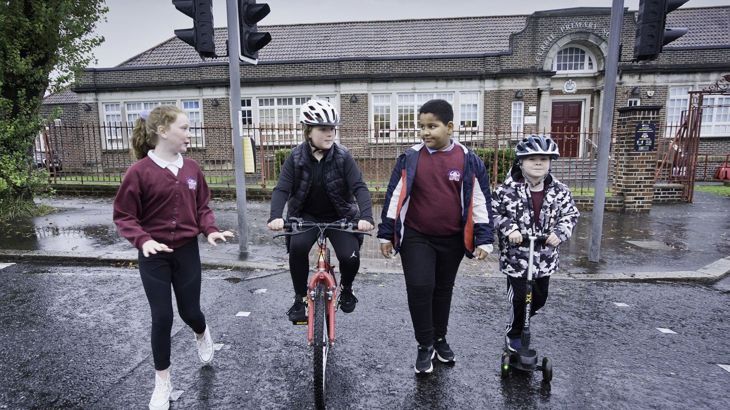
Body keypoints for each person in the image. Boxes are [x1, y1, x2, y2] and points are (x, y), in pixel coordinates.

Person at [113, 105, 234, 410]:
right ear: (163, 131)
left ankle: (202, 331)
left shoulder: (192, 169)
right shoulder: (138, 172)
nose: (189, 134)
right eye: (185, 128)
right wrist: (143, 240)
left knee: (190, 311)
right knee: (162, 317)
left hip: (186, 251)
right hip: (153, 255)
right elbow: (124, 215)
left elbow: (203, 206)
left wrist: (210, 230)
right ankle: (162, 382)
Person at [377, 99, 494, 374]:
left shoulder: (468, 160)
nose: (425, 132)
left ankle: (440, 339)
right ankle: (424, 344)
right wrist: (386, 234)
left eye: (432, 126)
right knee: (420, 287)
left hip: (452, 239)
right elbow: (395, 195)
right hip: (417, 236)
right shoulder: (410, 157)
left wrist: (484, 238)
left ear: (450, 127)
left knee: (442, 290)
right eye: (421, 127)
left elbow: (480, 201)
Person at [267, 99, 374, 323]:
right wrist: (276, 216)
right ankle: (299, 299)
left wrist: (366, 217)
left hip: (340, 216)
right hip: (306, 217)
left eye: (332, 128)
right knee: (297, 248)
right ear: (308, 131)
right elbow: (282, 189)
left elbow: (359, 188)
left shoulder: (343, 157)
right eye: (323, 129)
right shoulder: (295, 158)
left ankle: (346, 288)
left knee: (349, 256)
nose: (330, 134)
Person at [491, 135, 579, 353]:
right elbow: (493, 213)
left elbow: (570, 214)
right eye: (532, 159)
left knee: (539, 298)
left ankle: (523, 320)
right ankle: (514, 332)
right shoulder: (506, 190)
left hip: (545, 258)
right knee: (520, 298)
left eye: (544, 159)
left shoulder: (560, 191)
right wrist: (509, 228)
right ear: (521, 162)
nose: (538, 163)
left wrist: (560, 232)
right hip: (517, 258)